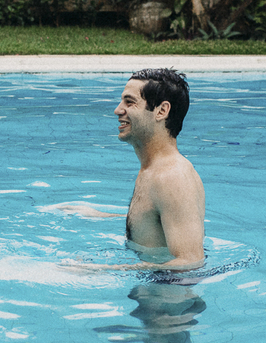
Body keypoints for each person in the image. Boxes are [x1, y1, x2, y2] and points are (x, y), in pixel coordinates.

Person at [55, 68, 206, 271]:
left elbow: (191, 262)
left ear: (161, 111)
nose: (118, 110)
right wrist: (99, 215)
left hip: (167, 298)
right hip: (155, 291)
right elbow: (158, 220)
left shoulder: (172, 177)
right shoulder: (154, 170)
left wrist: (100, 270)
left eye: (129, 102)